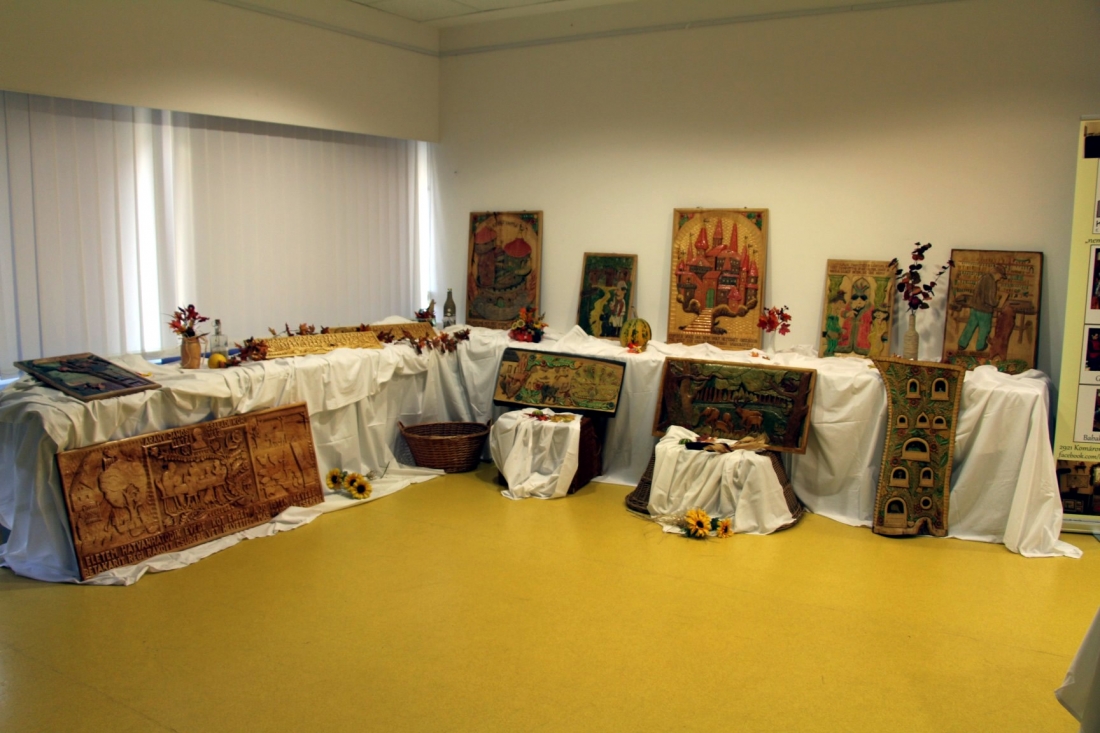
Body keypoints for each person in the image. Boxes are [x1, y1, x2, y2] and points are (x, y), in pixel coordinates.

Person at [957, 265, 1005, 352]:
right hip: (984, 311)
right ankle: (980, 346)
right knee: (984, 329)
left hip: (975, 308)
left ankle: (962, 344)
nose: (1000, 278)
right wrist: (997, 302)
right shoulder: (991, 282)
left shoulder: (983, 277)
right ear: (997, 273)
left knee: (970, 326)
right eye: (1000, 276)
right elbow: (990, 300)